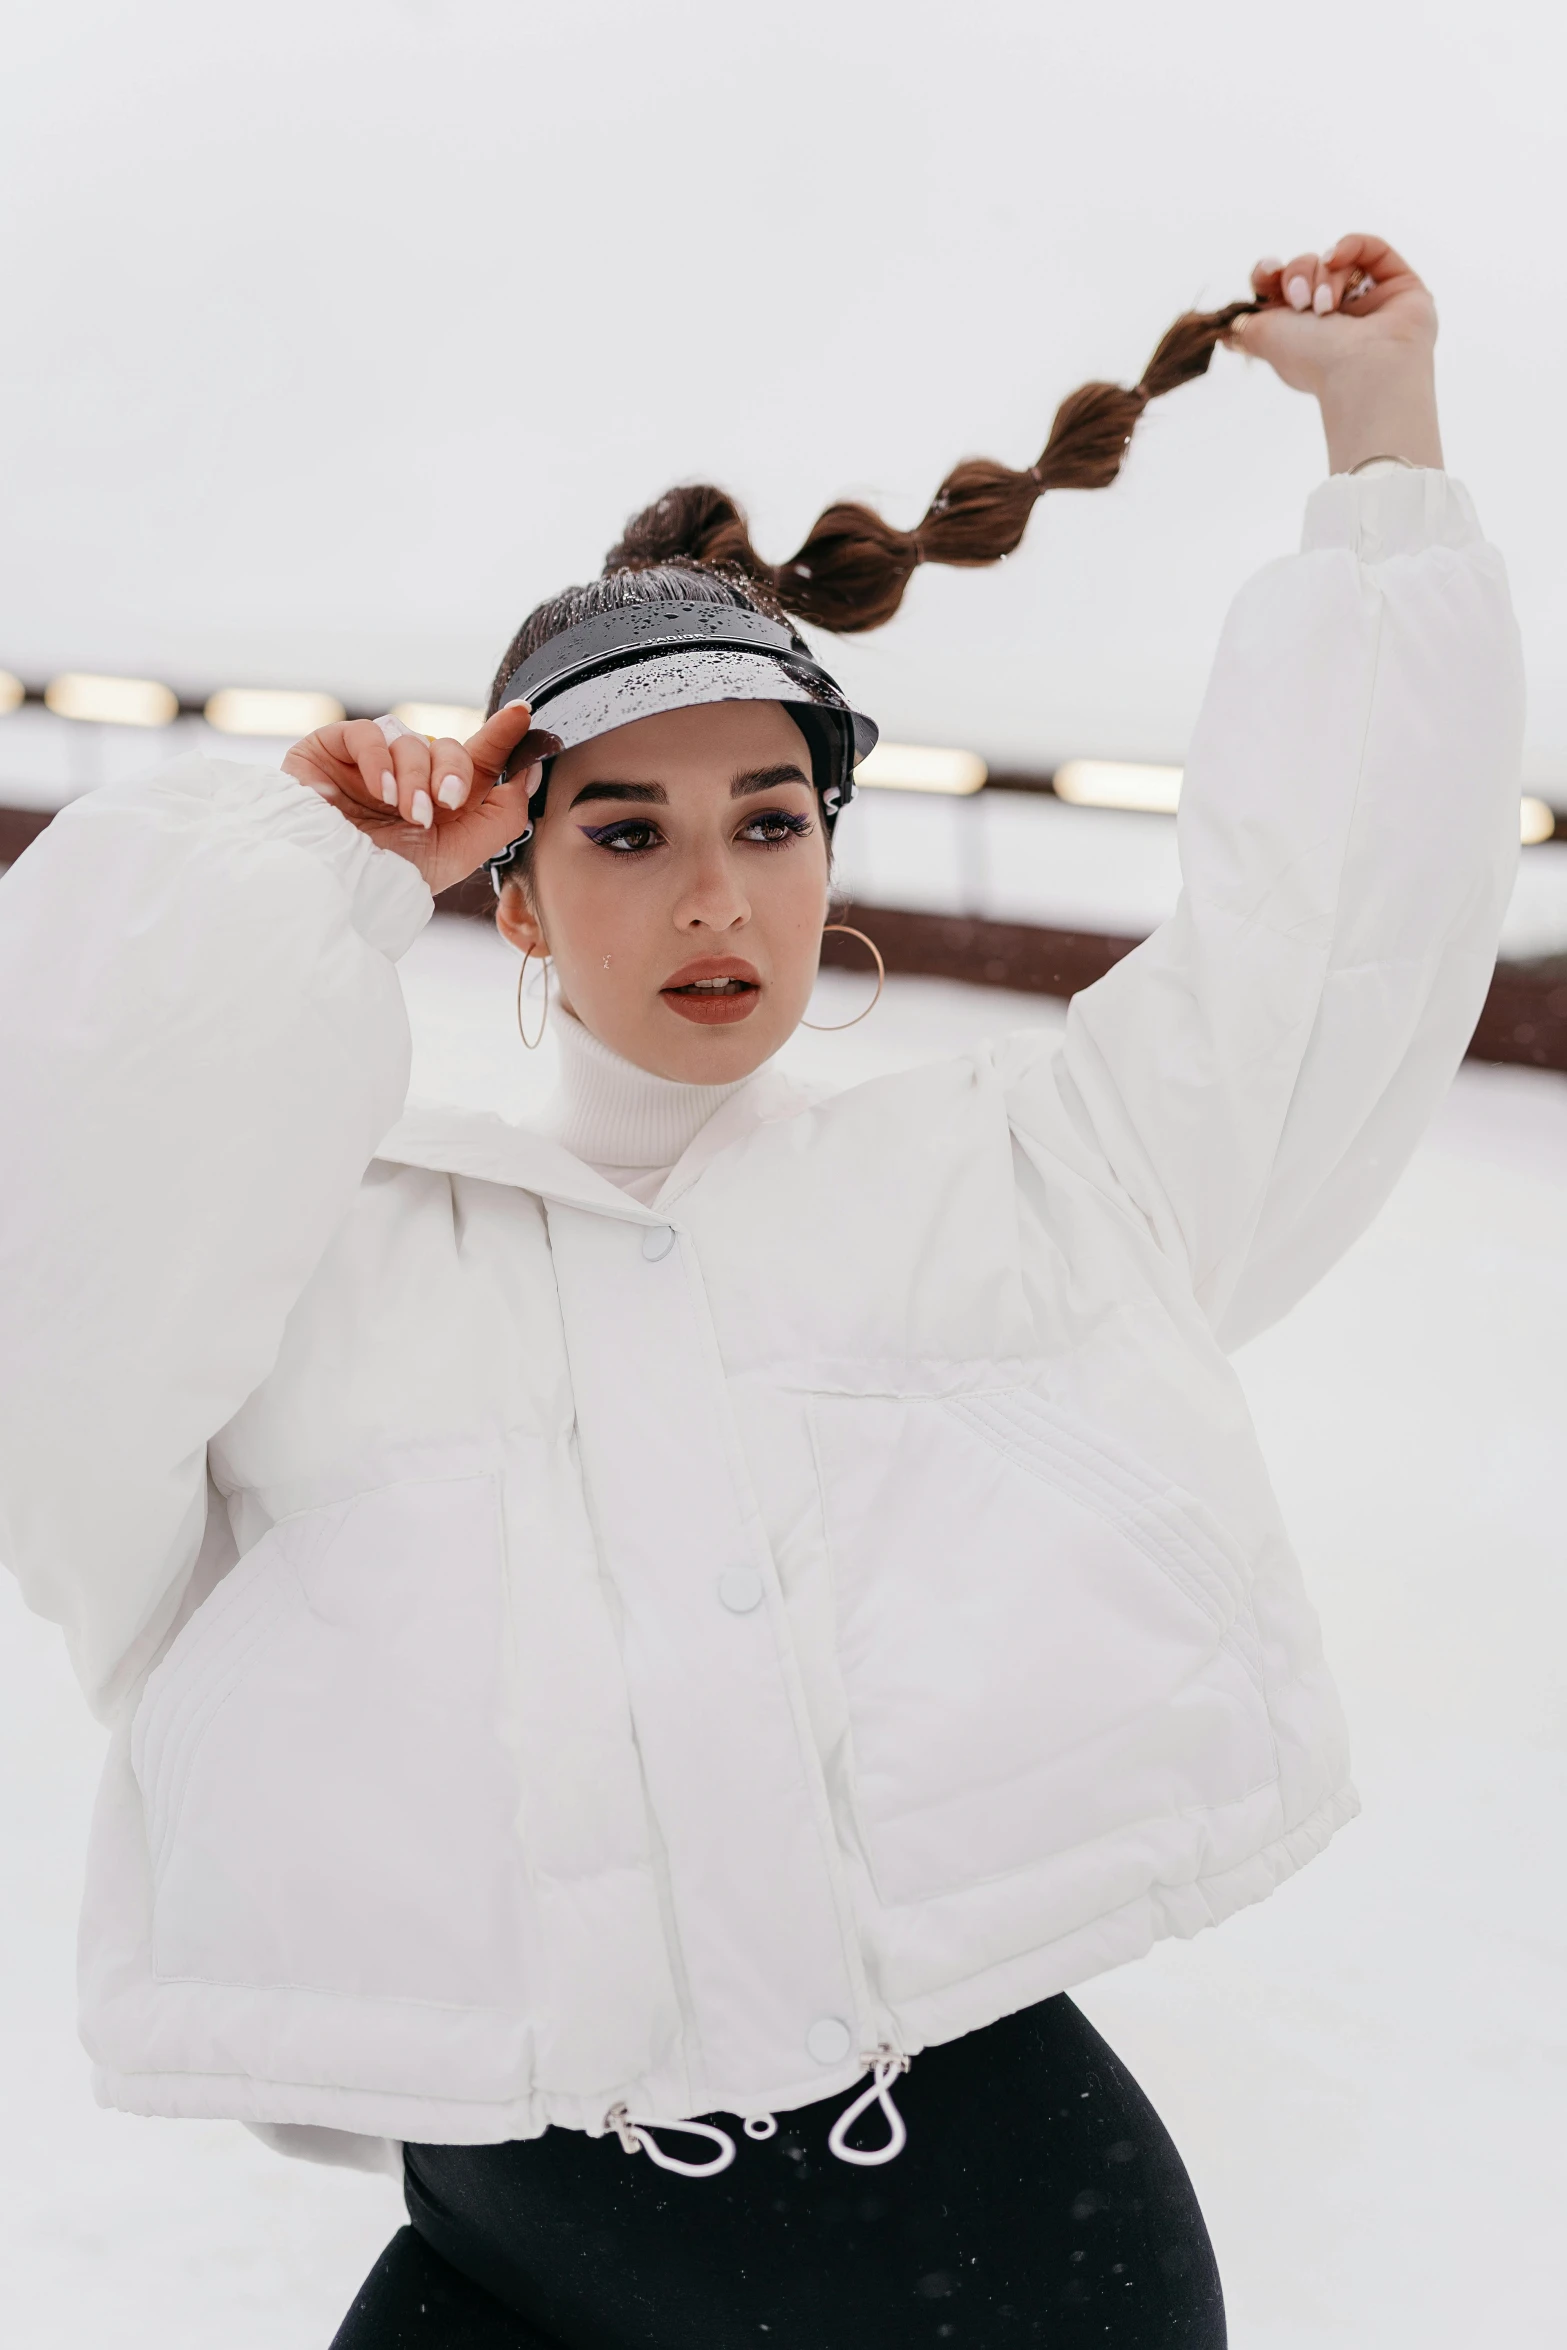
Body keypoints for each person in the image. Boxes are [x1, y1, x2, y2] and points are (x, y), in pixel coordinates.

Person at [0, 235, 1522, 2349]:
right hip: (511, 2264)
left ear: (831, 849)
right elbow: (59, 1241)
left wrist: (1382, 440)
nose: (716, 891)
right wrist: (295, 873)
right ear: (506, 889)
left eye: (771, 816)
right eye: (623, 831)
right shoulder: (319, 1274)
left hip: (1002, 2262)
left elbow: (1337, 941)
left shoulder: (1023, 1181)